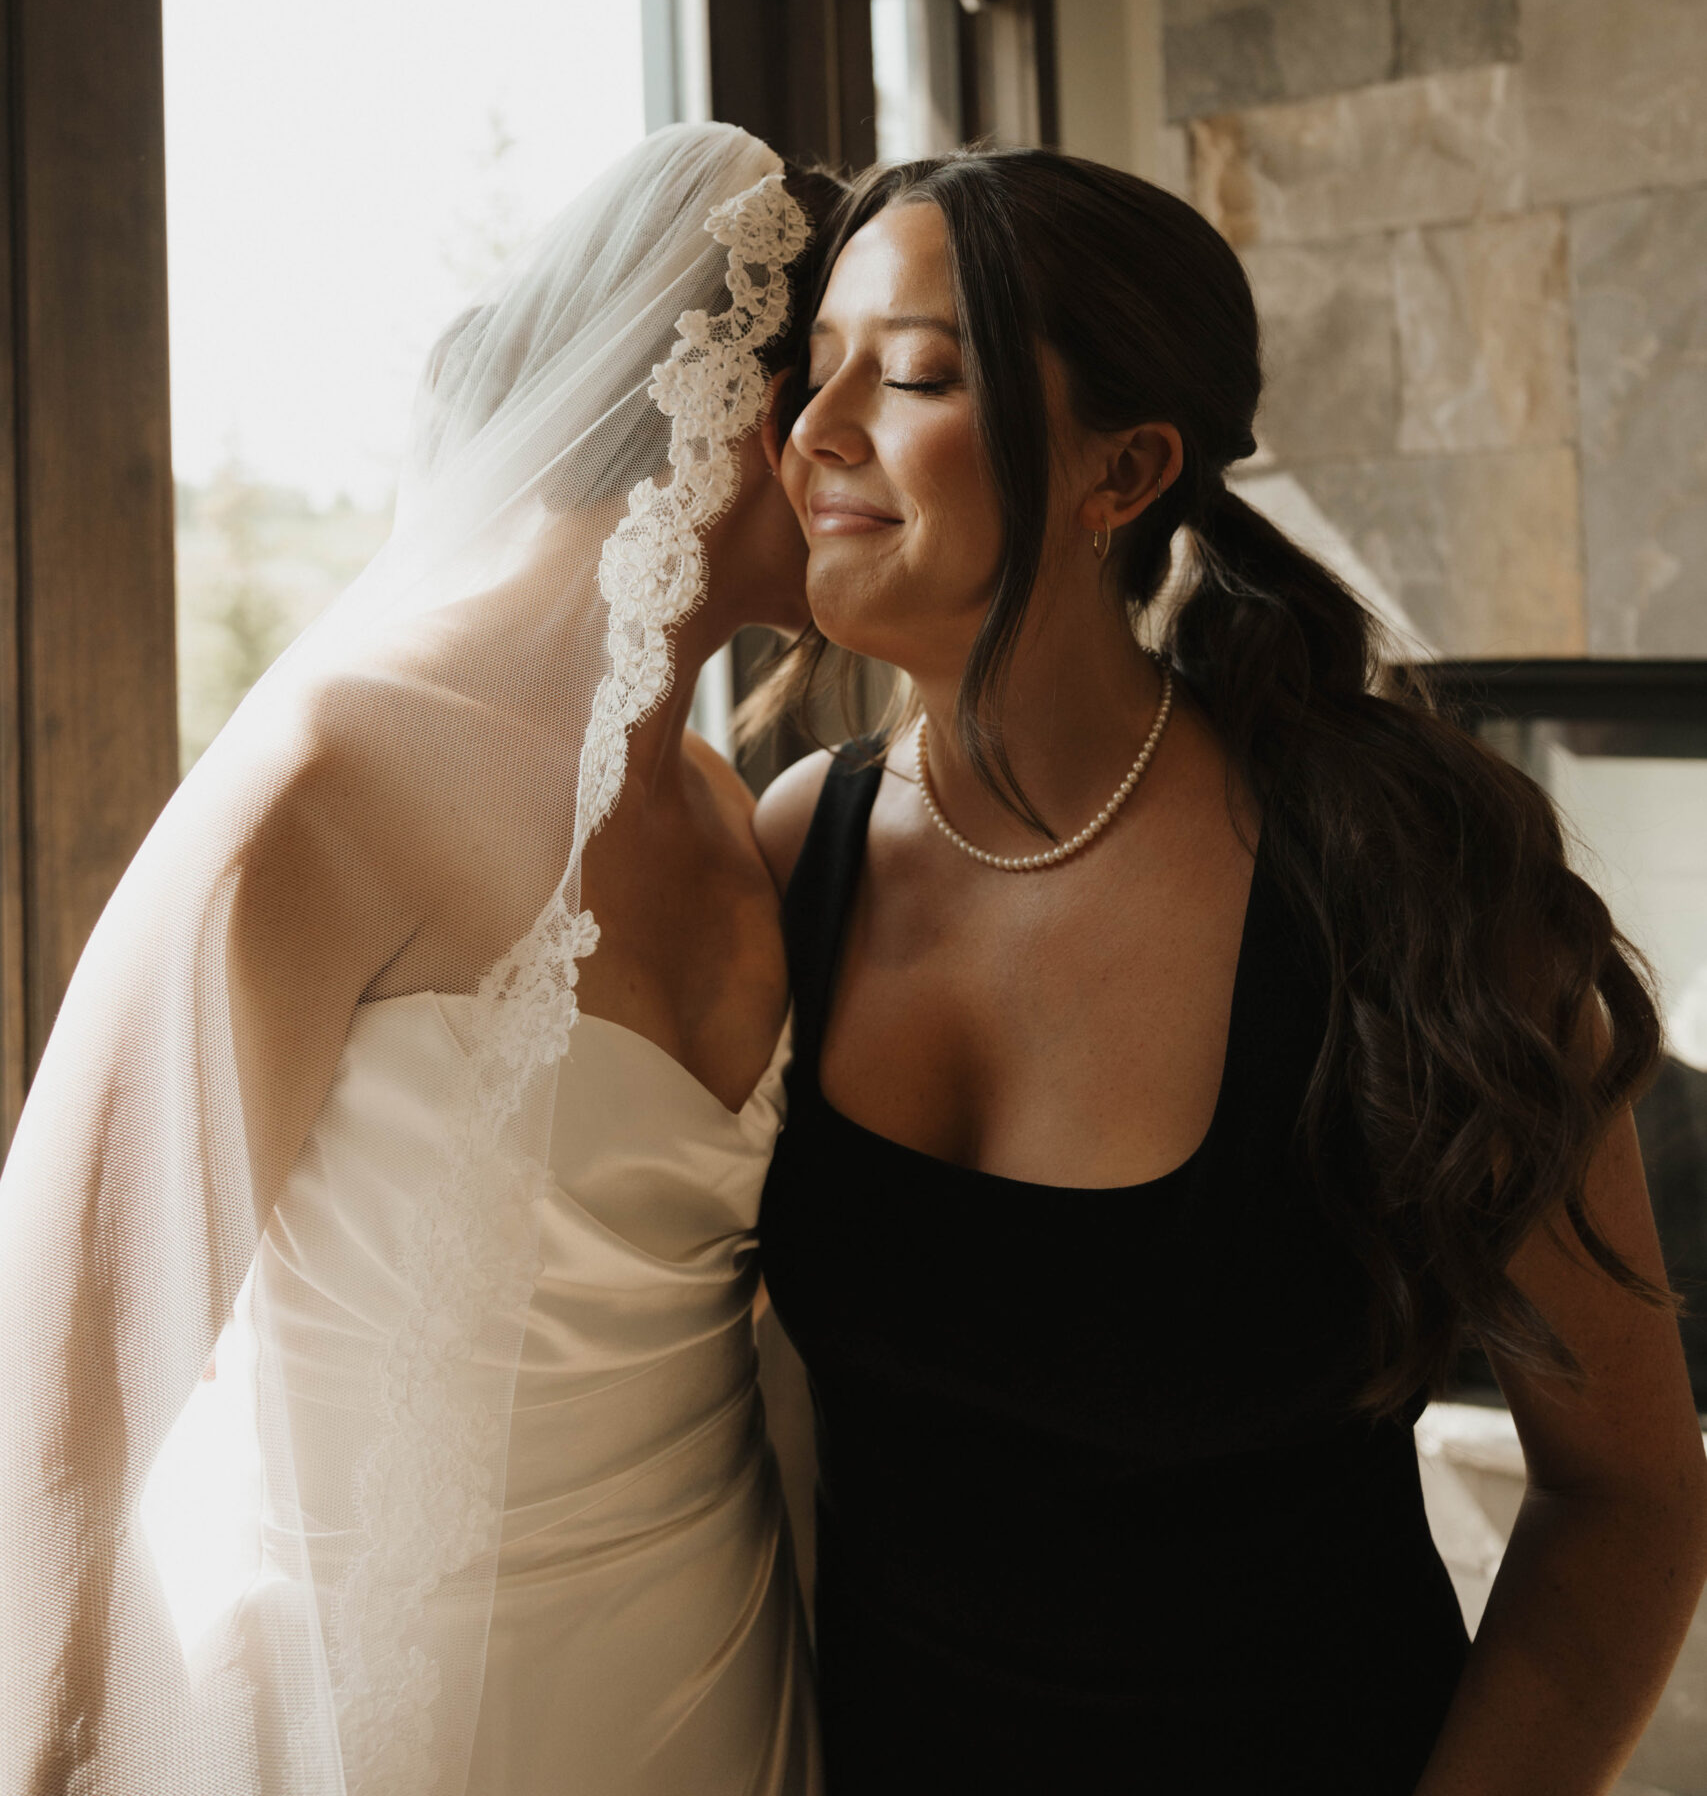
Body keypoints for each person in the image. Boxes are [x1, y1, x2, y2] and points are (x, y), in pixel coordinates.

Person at [754, 148, 1707, 1796]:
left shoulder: (1405, 884)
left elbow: (1622, 1497)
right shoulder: (794, 851)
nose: (814, 429)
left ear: (1123, 469)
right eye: (813, 364)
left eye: (910, 372)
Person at [0, 122, 837, 1796]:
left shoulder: (731, 807)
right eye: (852, 388)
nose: (891, 452)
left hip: (722, 1671)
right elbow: (57, 1406)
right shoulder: (333, 778)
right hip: (399, 1727)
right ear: (739, 407)